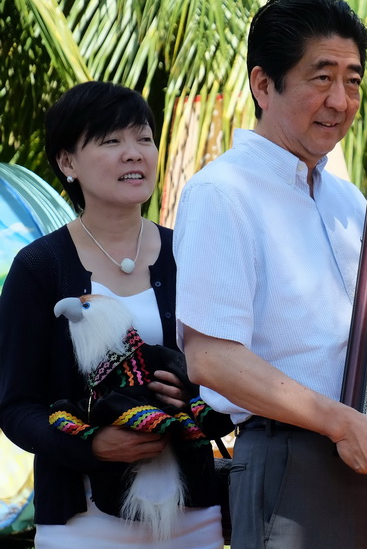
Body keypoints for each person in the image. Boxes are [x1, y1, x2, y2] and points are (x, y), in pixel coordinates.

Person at [173, 0, 367, 549]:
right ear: (264, 84)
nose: (340, 99)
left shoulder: (348, 198)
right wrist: (342, 424)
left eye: (353, 80)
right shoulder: (223, 192)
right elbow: (210, 358)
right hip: (293, 460)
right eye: (321, 77)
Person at [0, 81, 232, 548]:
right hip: (82, 524)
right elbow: (14, 406)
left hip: (193, 520)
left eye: (143, 138)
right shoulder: (40, 267)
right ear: (68, 163)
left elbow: (236, 380)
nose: (134, 153)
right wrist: (91, 445)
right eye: (111, 141)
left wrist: (195, 395)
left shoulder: (189, 253)